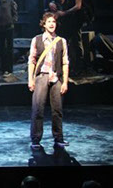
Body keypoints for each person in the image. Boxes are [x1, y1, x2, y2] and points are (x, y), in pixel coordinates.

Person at [28, 12, 69, 150]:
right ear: (44, 24)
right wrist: (30, 80)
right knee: (38, 109)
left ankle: (58, 138)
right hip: (41, 76)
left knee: (57, 110)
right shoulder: (37, 39)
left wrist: (65, 82)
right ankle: (35, 140)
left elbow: (65, 63)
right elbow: (32, 61)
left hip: (56, 77)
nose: (52, 24)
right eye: (49, 22)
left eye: (54, 22)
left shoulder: (61, 41)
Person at [56, 0, 85, 74]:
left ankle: (79, 67)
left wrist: (64, 13)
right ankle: (68, 66)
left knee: (77, 43)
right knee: (64, 42)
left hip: (75, 21)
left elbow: (78, 6)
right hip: (68, 22)